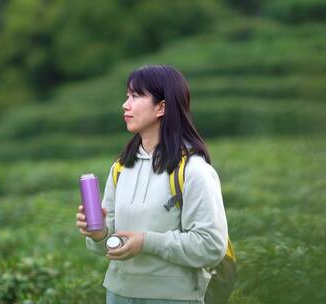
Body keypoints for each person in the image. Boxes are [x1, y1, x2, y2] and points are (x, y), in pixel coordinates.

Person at [75, 64, 228, 303]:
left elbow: (211, 246)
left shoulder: (194, 171)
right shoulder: (121, 168)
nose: (125, 105)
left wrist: (146, 242)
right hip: (118, 294)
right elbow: (105, 246)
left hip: (172, 297)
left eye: (136, 96)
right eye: (127, 96)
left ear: (161, 107)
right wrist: (98, 233)